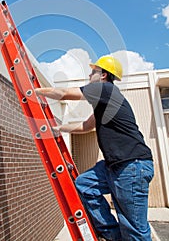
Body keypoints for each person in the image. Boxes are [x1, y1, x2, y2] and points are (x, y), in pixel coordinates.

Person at [35, 55, 154, 241]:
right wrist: (58, 128)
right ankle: (114, 237)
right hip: (114, 165)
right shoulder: (104, 102)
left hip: (131, 165)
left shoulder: (105, 89)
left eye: (93, 72)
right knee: (84, 185)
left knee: (134, 229)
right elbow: (86, 126)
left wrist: (34, 91)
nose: (90, 75)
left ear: (104, 75)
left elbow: (65, 93)